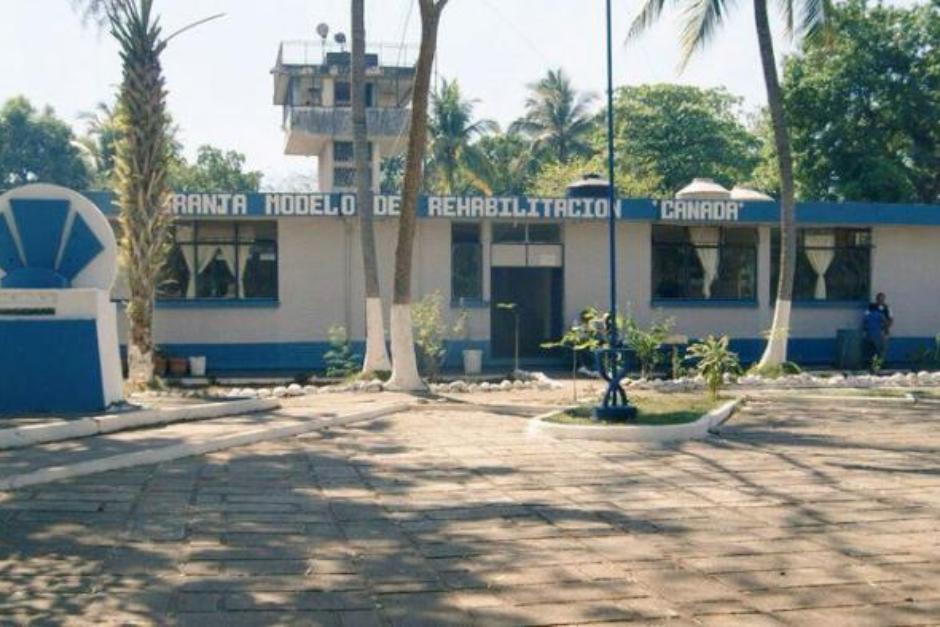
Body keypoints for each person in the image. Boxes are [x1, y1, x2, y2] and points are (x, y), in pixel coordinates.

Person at [862, 303, 886, 370]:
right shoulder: (880, 315)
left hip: (869, 335)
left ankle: (870, 366)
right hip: (878, 335)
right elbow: (884, 323)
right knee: (879, 351)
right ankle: (877, 366)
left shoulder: (867, 315)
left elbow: (864, 325)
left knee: (870, 351)